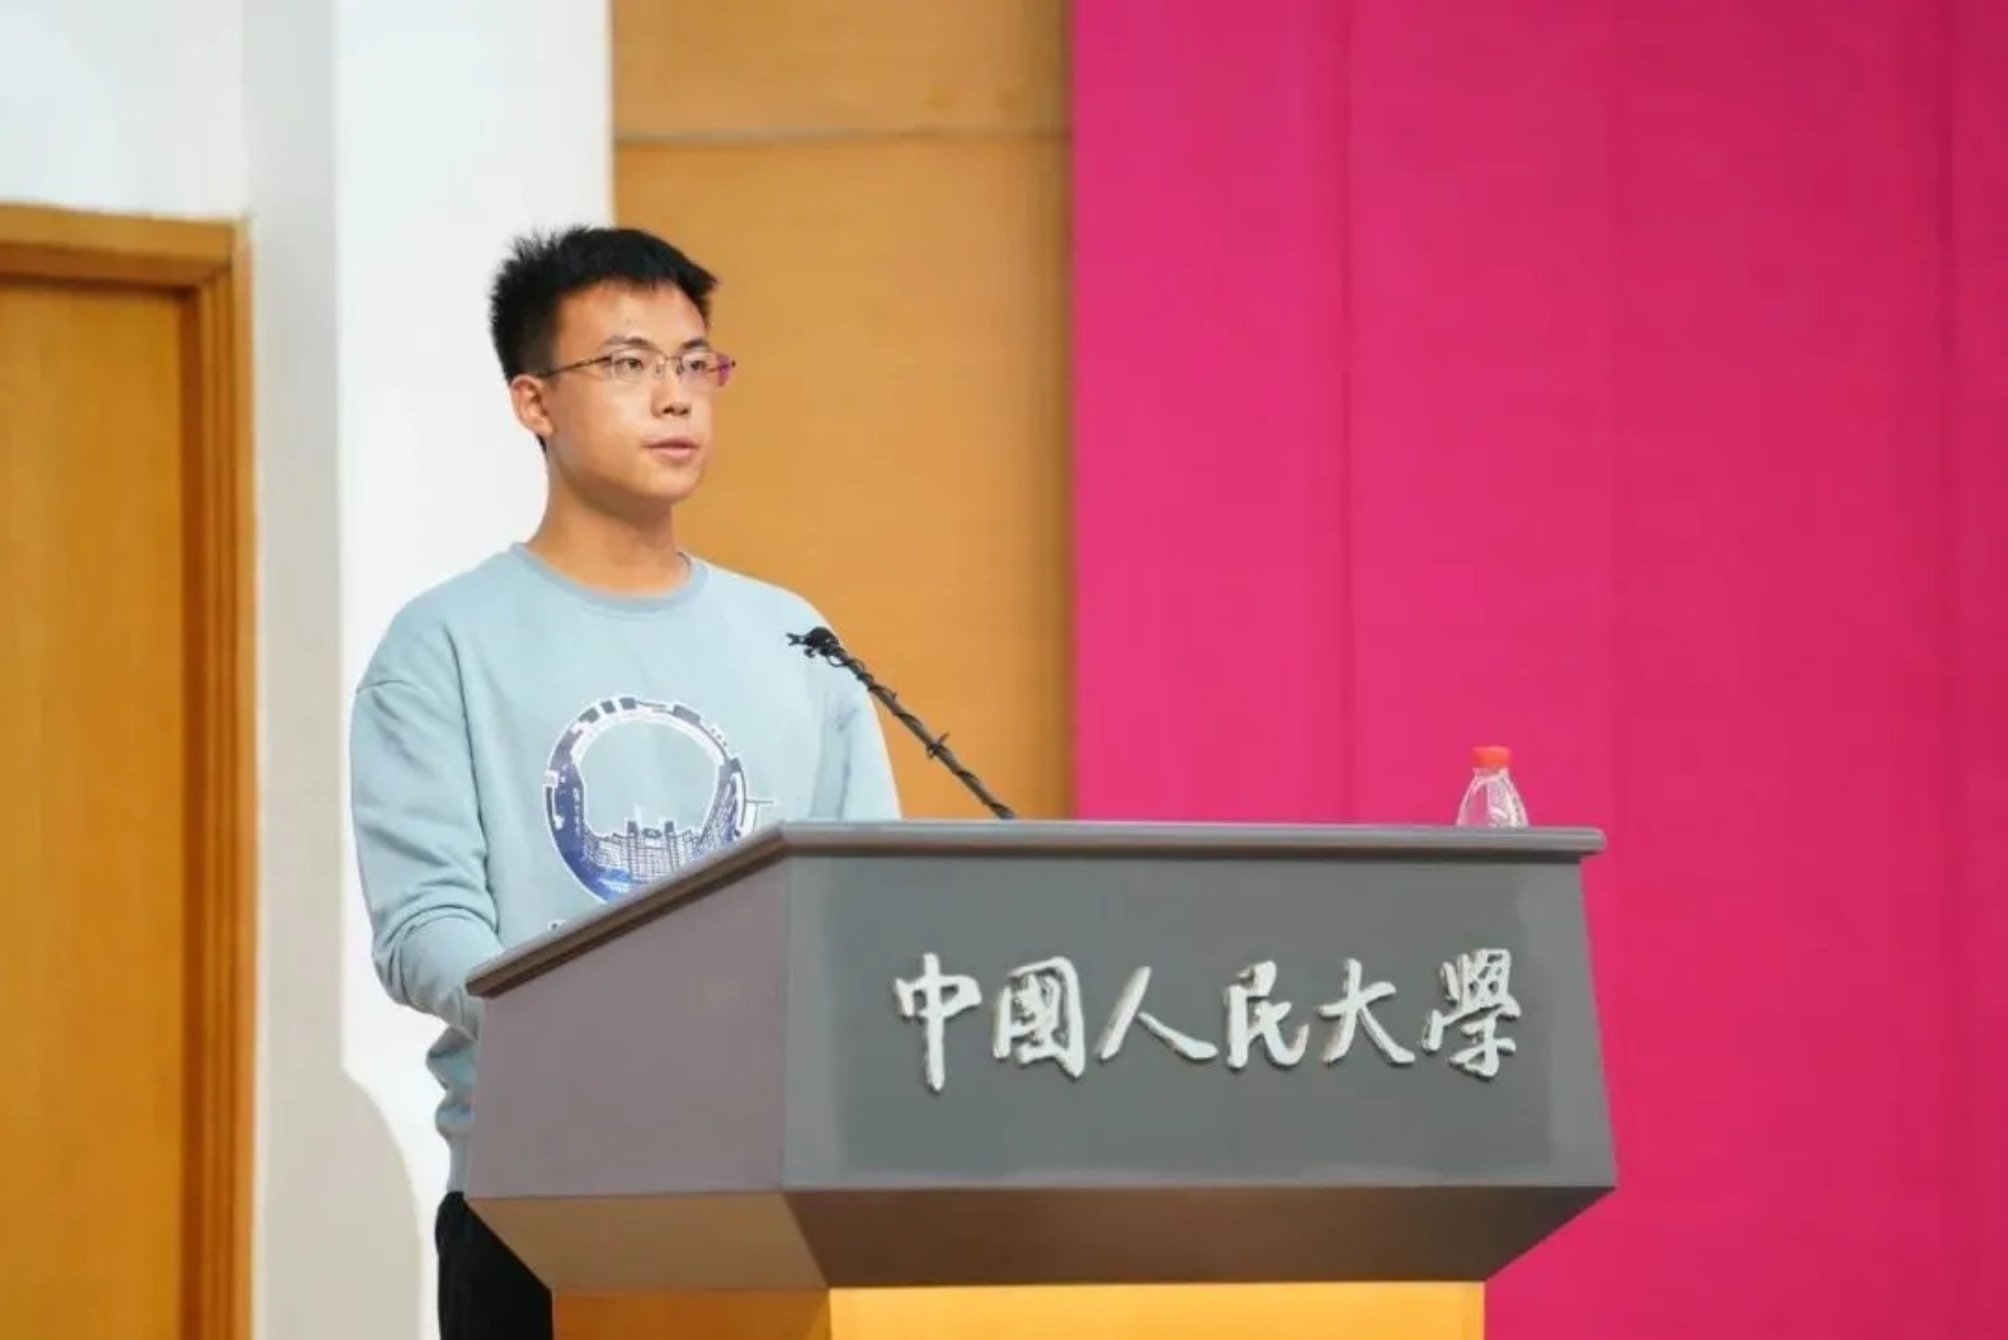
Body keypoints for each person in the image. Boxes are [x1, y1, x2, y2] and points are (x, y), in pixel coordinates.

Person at [347, 224, 902, 1340]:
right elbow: (425, 927)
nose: (674, 395)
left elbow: (869, 904)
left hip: (780, 1192)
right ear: (534, 401)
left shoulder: (794, 637)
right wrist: (612, 1027)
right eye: (628, 363)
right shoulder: (444, 643)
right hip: (545, 1203)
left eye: (695, 362)